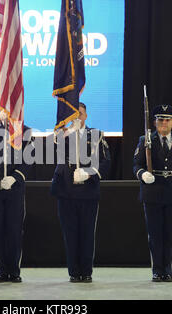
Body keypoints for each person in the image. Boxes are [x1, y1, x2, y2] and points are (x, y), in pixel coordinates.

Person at [133, 104, 172, 282]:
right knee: (155, 235)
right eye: (160, 120)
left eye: (167, 120)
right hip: (153, 193)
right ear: (154, 122)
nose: (163, 123)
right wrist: (143, 174)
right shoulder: (145, 140)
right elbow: (136, 164)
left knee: (171, 235)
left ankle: (168, 270)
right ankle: (157, 271)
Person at [51, 102, 111, 283]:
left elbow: (106, 161)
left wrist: (89, 173)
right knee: (70, 233)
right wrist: (70, 130)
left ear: (86, 116)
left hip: (88, 190)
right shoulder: (62, 135)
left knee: (87, 233)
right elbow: (56, 146)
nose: (77, 117)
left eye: (80, 114)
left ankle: (86, 271)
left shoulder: (96, 135)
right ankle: (73, 272)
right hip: (66, 190)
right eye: (73, 115)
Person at [0, 110, 33, 283]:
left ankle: (14, 270)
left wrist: (15, 177)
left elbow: (29, 158)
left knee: (14, 230)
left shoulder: (24, 130)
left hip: (14, 187)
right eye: (3, 106)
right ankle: (2, 270)